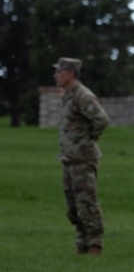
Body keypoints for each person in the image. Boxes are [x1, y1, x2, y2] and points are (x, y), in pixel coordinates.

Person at [53, 57, 110, 256]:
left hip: (83, 158)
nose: (56, 75)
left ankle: (95, 244)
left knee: (86, 202)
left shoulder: (82, 96)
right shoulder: (68, 96)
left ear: (71, 74)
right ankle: (82, 242)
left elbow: (101, 120)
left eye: (60, 72)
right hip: (69, 157)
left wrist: (88, 139)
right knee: (73, 205)